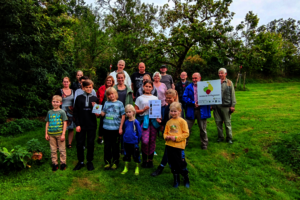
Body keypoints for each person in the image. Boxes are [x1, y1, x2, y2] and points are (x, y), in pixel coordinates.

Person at [151, 89, 185, 177]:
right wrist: (160, 122)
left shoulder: (178, 108)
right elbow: (166, 120)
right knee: (169, 150)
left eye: (170, 98)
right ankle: (175, 167)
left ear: (174, 97)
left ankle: (162, 167)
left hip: (177, 135)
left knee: (171, 152)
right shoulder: (167, 107)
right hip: (168, 133)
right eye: (167, 98)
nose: (168, 100)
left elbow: (182, 122)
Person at [73, 80, 99, 171]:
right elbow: (75, 113)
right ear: (83, 88)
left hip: (92, 125)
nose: (88, 89)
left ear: (92, 88)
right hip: (81, 125)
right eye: (86, 87)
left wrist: (95, 107)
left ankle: (89, 161)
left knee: (90, 143)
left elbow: (98, 115)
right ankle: (80, 161)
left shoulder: (95, 98)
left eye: (90, 87)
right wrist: (77, 124)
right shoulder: (79, 98)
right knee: (80, 144)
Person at [163, 102, 190, 188]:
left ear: (179, 111)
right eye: (172, 111)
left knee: (181, 163)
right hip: (169, 146)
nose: (173, 113)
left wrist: (176, 138)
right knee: (172, 163)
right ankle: (176, 179)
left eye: (175, 111)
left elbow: (186, 134)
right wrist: (166, 137)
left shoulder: (182, 122)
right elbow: (165, 132)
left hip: (179, 147)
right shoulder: (169, 122)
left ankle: (186, 178)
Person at [183, 72, 211, 149]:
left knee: (203, 129)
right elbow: (184, 98)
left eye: (196, 78)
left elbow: (210, 97)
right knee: (186, 128)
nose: (194, 80)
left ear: (200, 78)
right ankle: (184, 143)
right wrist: (193, 103)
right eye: (193, 78)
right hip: (191, 110)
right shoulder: (188, 87)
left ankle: (204, 144)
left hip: (202, 110)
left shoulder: (206, 86)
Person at [135, 80, 159, 168]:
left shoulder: (155, 98)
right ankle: (144, 159)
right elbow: (135, 111)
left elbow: (158, 111)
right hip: (144, 120)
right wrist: (143, 110)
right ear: (143, 87)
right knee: (145, 141)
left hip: (153, 121)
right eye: (146, 86)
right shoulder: (140, 98)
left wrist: (158, 119)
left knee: (152, 140)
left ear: (152, 88)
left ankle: (150, 160)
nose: (148, 88)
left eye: (150, 86)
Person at [101, 87, 126, 170]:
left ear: (115, 94)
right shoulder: (106, 103)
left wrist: (120, 127)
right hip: (106, 128)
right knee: (107, 146)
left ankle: (115, 162)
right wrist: (96, 109)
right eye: (109, 94)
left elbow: (123, 115)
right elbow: (103, 113)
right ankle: (107, 162)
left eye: (112, 93)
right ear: (107, 96)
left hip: (115, 129)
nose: (111, 95)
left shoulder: (120, 103)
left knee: (115, 146)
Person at [213, 68, 236, 144]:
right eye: (219, 73)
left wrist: (232, 105)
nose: (220, 74)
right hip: (217, 106)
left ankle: (229, 138)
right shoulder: (215, 83)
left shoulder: (229, 82)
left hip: (226, 106)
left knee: (227, 123)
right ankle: (220, 137)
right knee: (218, 122)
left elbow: (232, 95)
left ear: (225, 74)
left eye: (222, 73)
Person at [45, 95, 68, 171]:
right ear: (52, 102)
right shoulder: (49, 112)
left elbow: (65, 123)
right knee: (53, 149)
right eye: (54, 102)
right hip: (51, 134)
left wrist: (63, 134)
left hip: (60, 134)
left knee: (62, 149)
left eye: (57, 102)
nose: (55, 103)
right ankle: (55, 163)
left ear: (60, 103)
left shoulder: (62, 112)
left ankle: (63, 163)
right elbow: (47, 123)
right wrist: (46, 133)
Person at [113, 71, 133, 155]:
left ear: (124, 78)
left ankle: (123, 148)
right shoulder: (114, 88)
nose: (120, 79)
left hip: (125, 113)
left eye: (122, 78)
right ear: (117, 79)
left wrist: (130, 113)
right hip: (115, 113)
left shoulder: (128, 89)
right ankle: (115, 148)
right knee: (116, 131)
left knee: (124, 131)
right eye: (119, 78)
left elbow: (131, 103)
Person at [121, 105, 142, 175]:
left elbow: (139, 132)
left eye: (129, 112)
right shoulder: (126, 122)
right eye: (126, 112)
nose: (128, 113)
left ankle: (137, 167)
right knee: (126, 154)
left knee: (136, 155)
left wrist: (138, 140)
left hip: (134, 142)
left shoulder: (136, 122)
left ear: (133, 112)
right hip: (126, 141)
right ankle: (126, 167)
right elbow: (125, 130)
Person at [55, 77, 75, 148]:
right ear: (62, 83)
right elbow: (55, 100)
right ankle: (59, 144)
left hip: (71, 111)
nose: (66, 83)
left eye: (67, 82)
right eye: (64, 82)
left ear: (69, 82)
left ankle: (69, 143)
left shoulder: (73, 91)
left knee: (71, 128)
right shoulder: (59, 91)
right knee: (61, 127)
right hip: (61, 111)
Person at [96, 75, 115, 144]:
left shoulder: (114, 89)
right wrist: (97, 110)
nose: (108, 82)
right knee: (102, 122)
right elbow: (97, 99)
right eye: (107, 80)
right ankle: (100, 137)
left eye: (110, 80)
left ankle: (109, 136)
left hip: (112, 108)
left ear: (112, 82)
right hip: (102, 107)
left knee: (110, 121)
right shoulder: (101, 88)